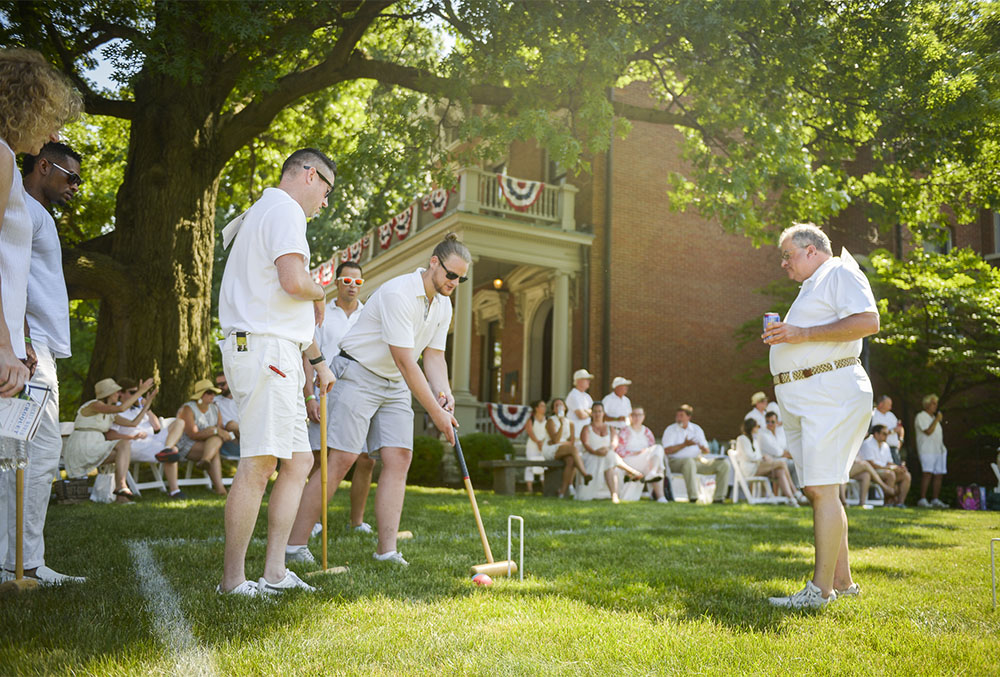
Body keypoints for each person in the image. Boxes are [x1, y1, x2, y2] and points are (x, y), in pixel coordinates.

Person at [287, 233, 466, 567]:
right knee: (342, 458)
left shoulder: (443, 304)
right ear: (433, 264)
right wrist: (436, 415)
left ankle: (386, 550)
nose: (454, 282)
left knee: (399, 456)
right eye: (451, 275)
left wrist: (445, 394)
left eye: (461, 278)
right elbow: (405, 360)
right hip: (360, 373)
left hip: (395, 382)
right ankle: (294, 544)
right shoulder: (399, 293)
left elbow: (435, 357)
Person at [217, 148, 337, 596]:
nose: (325, 202)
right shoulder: (285, 210)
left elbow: (278, 303)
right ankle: (233, 582)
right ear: (309, 175)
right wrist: (321, 290)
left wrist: (318, 361)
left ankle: (274, 572)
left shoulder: (263, 211)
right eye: (326, 190)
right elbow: (293, 282)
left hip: (275, 350)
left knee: (299, 461)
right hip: (264, 350)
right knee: (259, 463)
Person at [763, 222, 879, 609]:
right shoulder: (813, 284)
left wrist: (801, 335)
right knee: (823, 487)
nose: (783, 263)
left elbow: (868, 321)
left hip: (829, 393)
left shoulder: (840, 271)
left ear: (811, 249)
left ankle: (820, 592)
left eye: (788, 254)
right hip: (808, 396)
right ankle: (842, 583)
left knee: (821, 489)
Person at [1, 142, 84, 585]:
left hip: (35, 346)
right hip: (29, 350)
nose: (76, 187)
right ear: (44, 166)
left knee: (26, 456)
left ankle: (18, 560)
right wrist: (23, 338)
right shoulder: (22, 209)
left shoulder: (36, 214)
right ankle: (24, 564)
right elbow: (7, 273)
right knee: (37, 454)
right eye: (71, 177)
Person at [0, 49, 80, 401]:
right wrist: (5, 345)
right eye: (50, 120)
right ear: (23, 109)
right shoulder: (2, 156)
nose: (55, 135)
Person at [298, 259, 375, 541]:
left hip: (361, 395)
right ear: (337, 282)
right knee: (322, 459)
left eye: (358, 283)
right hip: (325, 392)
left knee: (366, 459)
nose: (352, 287)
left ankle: (356, 521)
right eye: (347, 281)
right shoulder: (322, 313)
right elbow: (308, 355)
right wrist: (309, 395)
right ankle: (312, 520)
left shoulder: (370, 316)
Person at [62, 377, 154, 503]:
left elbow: (134, 423)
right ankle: (121, 488)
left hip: (97, 446)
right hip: (83, 446)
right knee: (123, 446)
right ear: (108, 394)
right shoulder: (94, 405)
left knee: (123, 449)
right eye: (116, 392)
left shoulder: (110, 414)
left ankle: (121, 491)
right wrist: (141, 391)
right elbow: (121, 409)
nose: (118, 394)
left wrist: (147, 404)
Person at [111, 378, 187, 498]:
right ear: (121, 393)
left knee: (180, 422)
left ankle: (167, 448)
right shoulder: (116, 409)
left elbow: (156, 426)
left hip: (153, 439)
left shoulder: (140, 407)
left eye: (138, 392)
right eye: (132, 392)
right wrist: (132, 436)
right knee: (174, 451)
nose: (136, 395)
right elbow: (112, 434)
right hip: (134, 443)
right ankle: (174, 490)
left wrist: (146, 406)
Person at [661, 404, 730, 504]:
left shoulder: (697, 429)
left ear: (689, 417)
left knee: (724, 464)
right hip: (675, 463)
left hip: (698, 460)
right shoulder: (670, 430)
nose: (678, 418)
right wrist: (684, 444)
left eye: (681, 416)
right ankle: (693, 497)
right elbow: (666, 450)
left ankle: (719, 498)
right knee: (689, 462)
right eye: (677, 416)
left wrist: (703, 449)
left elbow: (707, 451)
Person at [579, 401, 643, 503]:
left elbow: (614, 442)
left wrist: (607, 450)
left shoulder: (610, 427)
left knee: (609, 460)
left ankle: (614, 495)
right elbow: (586, 444)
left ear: (603, 413)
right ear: (592, 414)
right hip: (591, 455)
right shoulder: (586, 428)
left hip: (607, 454)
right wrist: (596, 452)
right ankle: (631, 472)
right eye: (595, 412)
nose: (597, 414)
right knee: (610, 460)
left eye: (600, 411)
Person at [175, 379, 231, 496]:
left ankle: (205, 460)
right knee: (213, 451)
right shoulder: (188, 408)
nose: (213, 395)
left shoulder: (214, 408)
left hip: (208, 443)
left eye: (213, 392)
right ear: (201, 394)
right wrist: (213, 431)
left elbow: (220, 429)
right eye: (209, 392)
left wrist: (215, 432)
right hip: (186, 444)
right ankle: (221, 490)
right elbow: (192, 434)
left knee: (215, 442)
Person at [733, 418, 799, 507]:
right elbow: (749, 456)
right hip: (750, 469)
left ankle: (791, 498)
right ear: (752, 427)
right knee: (782, 463)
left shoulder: (754, 439)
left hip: (758, 466)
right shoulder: (742, 439)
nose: (758, 429)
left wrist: (762, 458)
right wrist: (762, 458)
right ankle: (795, 491)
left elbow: (757, 454)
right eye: (757, 426)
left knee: (780, 471)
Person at [614, 407, 668, 502]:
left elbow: (654, 451)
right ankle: (653, 474)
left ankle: (660, 496)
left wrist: (645, 452)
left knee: (658, 450)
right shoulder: (625, 431)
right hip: (629, 460)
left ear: (643, 417)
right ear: (630, 417)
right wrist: (636, 452)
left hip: (644, 461)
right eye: (634, 415)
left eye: (639, 415)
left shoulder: (647, 431)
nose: (637, 417)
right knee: (657, 455)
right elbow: (619, 451)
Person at [544, 397, 591, 497]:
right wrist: (561, 425)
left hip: (565, 449)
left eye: (561, 405)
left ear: (565, 408)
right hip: (551, 450)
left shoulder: (570, 423)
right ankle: (584, 474)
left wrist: (563, 443)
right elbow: (556, 440)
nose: (559, 407)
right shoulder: (551, 421)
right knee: (574, 450)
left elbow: (572, 441)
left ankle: (562, 492)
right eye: (556, 405)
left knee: (571, 460)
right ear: (553, 409)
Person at [857, 425, 911, 507]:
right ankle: (888, 502)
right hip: (871, 471)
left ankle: (900, 503)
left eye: (887, 434)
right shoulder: (867, 443)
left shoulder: (885, 445)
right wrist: (890, 468)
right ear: (876, 434)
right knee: (890, 474)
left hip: (884, 471)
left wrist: (899, 467)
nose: (887, 436)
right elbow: (871, 464)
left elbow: (889, 463)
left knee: (906, 475)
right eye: (884, 434)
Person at [758, 410, 804, 495]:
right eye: (767, 422)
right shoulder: (763, 435)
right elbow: (778, 452)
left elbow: (787, 448)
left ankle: (797, 489)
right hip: (770, 463)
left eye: (772, 422)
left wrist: (788, 454)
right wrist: (787, 454)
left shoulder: (780, 433)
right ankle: (795, 492)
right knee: (792, 464)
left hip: (782, 460)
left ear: (777, 422)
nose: (770, 424)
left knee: (797, 463)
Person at [915, 394, 948, 508]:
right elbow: (928, 431)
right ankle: (923, 499)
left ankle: (935, 499)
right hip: (927, 450)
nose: (936, 406)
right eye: (933, 403)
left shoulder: (934, 418)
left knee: (939, 475)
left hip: (939, 450)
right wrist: (937, 420)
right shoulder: (921, 416)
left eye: (936, 403)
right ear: (927, 404)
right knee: (927, 473)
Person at [213, 372, 241, 460]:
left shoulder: (241, 399)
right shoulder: (215, 401)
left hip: (244, 435)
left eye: (222, 384)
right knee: (231, 424)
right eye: (217, 385)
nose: (220, 387)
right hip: (229, 439)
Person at [871, 395, 905, 464]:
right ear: (881, 404)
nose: (891, 407)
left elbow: (900, 429)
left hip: (895, 449)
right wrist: (893, 431)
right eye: (889, 405)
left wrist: (900, 441)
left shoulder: (891, 415)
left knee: (898, 471)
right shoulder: (874, 415)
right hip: (881, 449)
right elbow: (877, 432)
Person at [524, 399, 548, 494]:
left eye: (544, 406)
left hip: (544, 445)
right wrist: (537, 442)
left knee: (544, 466)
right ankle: (529, 489)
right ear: (536, 408)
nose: (544, 408)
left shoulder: (547, 419)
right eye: (542, 406)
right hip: (532, 445)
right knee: (530, 465)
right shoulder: (531, 419)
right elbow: (530, 431)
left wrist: (542, 443)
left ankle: (544, 487)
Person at [565, 368, 595, 442]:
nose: (589, 381)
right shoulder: (573, 395)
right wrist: (590, 412)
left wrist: (587, 411)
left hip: (587, 433)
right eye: (586, 379)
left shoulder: (587, 396)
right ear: (579, 381)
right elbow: (581, 415)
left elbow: (595, 412)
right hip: (576, 434)